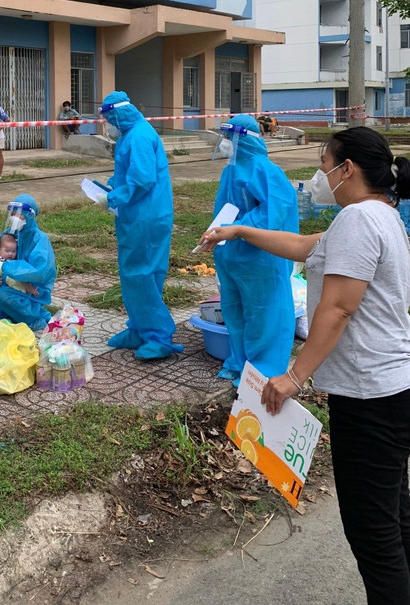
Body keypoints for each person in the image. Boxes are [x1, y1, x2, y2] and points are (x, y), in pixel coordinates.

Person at [201, 127, 410, 605]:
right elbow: (302, 247)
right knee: (395, 512)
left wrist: (295, 376)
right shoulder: (380, 216)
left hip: (370, 397)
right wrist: (238, 230)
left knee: (374, 535)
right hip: (392, 388)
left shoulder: (358, 220)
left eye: (323, 163)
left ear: (347, 169)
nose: (318, 174)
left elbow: (337, 308)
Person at [209, 114, 298, 386]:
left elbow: (274, 212)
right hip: (233, 256)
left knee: (264, 312)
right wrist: (214, 235)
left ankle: (263, 370)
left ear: (243, 140)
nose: (225, 144)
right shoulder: (231, 170)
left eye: (229, 138)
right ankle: (239, 362)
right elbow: (224, 211)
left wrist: (238, 229)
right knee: (235, 311)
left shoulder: (266, 170)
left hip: (261, 256)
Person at [97, 91, 183, 360]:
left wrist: (114, 196)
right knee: (133, 275)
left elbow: (143, 180)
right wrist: (115, 185)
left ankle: (158, 336)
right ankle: (139, 328)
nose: (107, 124)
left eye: (108, 118)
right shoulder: (129, 136)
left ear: (118, 114)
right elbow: (129, 173)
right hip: (136, 215)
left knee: (143, 275)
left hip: (147, 216)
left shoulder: (140, 137)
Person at [0, 194, 56, 330]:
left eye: (19, 214)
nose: (14, 218)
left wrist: (7, 267)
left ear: (29, 215)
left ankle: (36, 317)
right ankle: (10, 315)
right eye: (13, 214)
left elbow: (38, 271)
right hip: (7, 281)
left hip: (30, 287)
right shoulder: (10, 234)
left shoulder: (40, 239)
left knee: (4, 297)